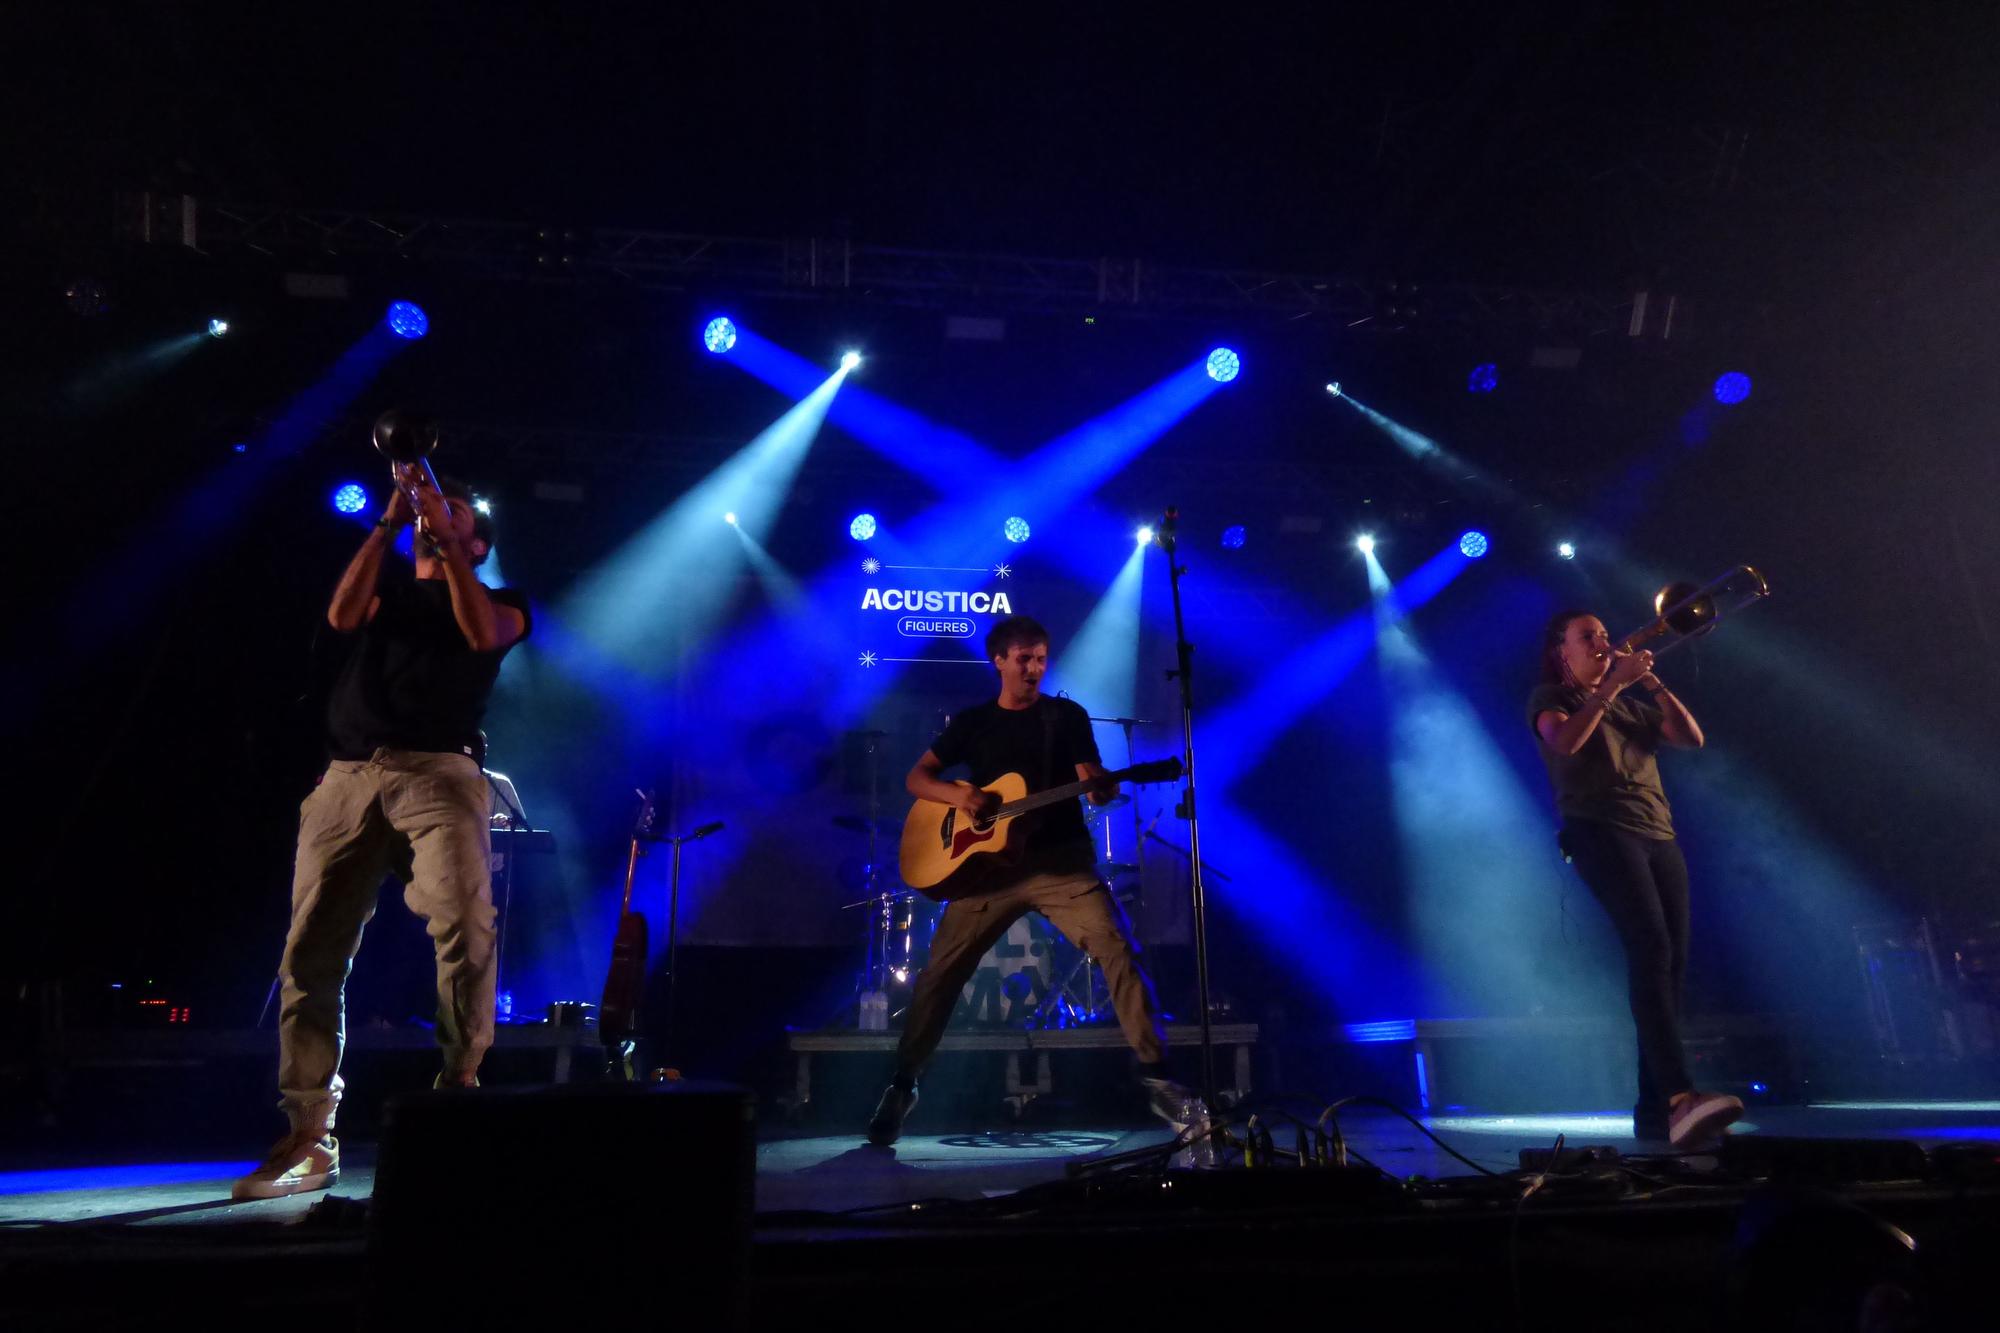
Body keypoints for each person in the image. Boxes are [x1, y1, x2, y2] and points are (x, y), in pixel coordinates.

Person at [233, 467, 531, 1199]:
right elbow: (339, 615)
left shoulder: (502, 600)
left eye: (453, 505)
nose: (437, 507)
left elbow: (478, 633)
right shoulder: (388, 590)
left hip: (441, 773)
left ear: (477, 538)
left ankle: (456, 1088)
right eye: (435, 498)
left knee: (466, 925)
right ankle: (309, 1134)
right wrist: (389, 520)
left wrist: (443, 538)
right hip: (347, 776)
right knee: (310, 950)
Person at [866, 615, 1196, 1145]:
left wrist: (1101, 788)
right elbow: (916, 778)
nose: (1034, 668)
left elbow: (1092, 781)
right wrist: (963, 796)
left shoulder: (1065, 716)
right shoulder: (974, 723)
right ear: (999, 660)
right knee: (938, 978)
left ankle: (1160, 1079)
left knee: (1118, 952)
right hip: (985, 876)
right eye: (1023, 658)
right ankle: (903, 1086)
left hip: (1060, 866)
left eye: (1040, 657)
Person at [1529, 610, 1741, 1149]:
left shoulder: (1630, 703)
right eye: (1588, 637)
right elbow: (1565, 744)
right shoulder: (1554, 697)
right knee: (1648, 949)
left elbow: (1690, 738)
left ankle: (1655, 1114)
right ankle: (1679, 1096)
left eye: (1603, 634)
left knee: (1671, 964)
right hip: (1600, 830)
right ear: (1564, 653)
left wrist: (1648, 681)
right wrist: (1612, 687)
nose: (1602, 642)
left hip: (1657, 833)